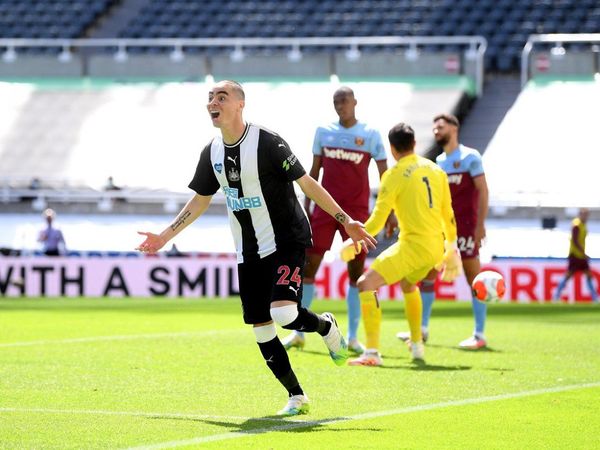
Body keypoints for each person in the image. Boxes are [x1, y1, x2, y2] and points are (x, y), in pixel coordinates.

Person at [136, 80, 377, 416]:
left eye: (221, 97)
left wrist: (345, 220)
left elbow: (307, 182)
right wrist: (165, 236)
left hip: (287, 240)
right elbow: (200, 199)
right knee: (263, 331)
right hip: (248, 251)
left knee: (283, 313)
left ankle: (325, 326)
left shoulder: (267, 142)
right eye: (209, 98)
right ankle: (297, 396)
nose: (213, 103)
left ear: (239, 104)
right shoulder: (212, 152)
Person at [281, 86, 396, 355]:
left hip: (356, 213)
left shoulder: (370, 134)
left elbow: (385, 177)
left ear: (355, 102)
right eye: (336, 101)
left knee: (356, 273)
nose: (340, 105)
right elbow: (314, 171)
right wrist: (306, 208)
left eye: (344, 100)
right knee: (308, 268)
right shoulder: (323, 131)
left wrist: (390, 211)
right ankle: (299, 333)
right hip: (323, 210)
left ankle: (354, 336)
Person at [344, 122, 461, 366]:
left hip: (413, 246)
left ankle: (372, 353)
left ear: (392, 149)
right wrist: (452, 248)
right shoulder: (436, 170)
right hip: (435, 248)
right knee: (409, 284)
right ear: (414, 144)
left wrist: (353, 238)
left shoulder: (393, 175)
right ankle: (417, 345)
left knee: (365, 284)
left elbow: (377, 221)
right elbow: (447, 213)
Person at [396, 113, 490, 350]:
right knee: (428, 273)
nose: (436, 131)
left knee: (473, 277)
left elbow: (483, 190)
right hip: (439, 228)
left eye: (440, 126)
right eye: (434, 127)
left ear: (454, 128)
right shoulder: (438, 162)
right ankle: (423, 329)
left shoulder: (470, 157)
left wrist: (480, 225)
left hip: (466, 226)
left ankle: (479, 334)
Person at [553, 208, 598, 302]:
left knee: (589, 275)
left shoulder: (583, 225)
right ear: (580, 215)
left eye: (587, 215)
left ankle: (594, 298)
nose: (586, 217)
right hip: (575, 255)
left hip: (581, 256)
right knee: (568, 275)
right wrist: (583, 252)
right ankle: (556, 295)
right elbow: (575, 240)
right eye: (584, 215)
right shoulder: (576, 225)